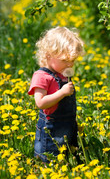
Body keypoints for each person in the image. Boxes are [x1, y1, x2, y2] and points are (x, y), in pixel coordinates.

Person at [28, 27, 84, 163]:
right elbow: (40, 103)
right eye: (65, 60)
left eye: (73, 60)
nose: (70, 64)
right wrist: (62, 93)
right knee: (50, 160)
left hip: (68, 127)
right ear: (48, 55)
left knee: (69, 158)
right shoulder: (41, 76)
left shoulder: (62, 75)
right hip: (51, 132)